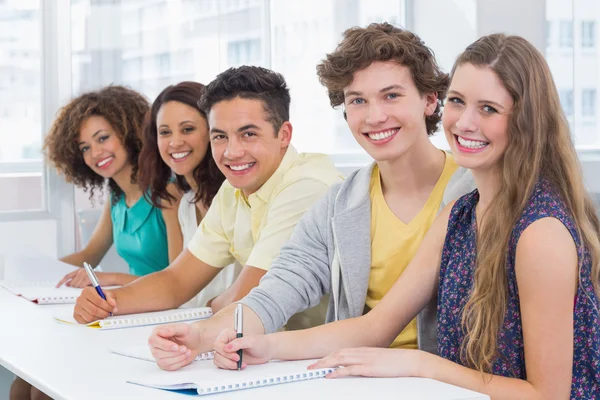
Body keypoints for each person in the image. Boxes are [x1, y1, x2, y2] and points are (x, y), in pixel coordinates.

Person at [213, 34, 600, 399]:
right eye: (459, 101)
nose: (465, 123)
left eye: (489, 109)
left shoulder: (540, 233)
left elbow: (548, 395)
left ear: (526, 121)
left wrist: (419, 363)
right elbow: (375, 326)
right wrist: (262, 346)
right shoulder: (462, 214)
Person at [147, 22, 475, 372]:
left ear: (429, 100)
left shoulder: (474, 192)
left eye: (391, 95)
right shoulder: (339, 205)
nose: (374, 115)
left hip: (446, 383)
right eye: (357, 100)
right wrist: (200, 337)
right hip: (355, 377)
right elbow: (278, 289)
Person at [71, 66, 343, 323]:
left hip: (318, 358)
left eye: (248, 134)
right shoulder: (233, 190)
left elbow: (249, 298)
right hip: (266, 349)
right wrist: (108, 300)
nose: (231, 152)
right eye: (220, 136)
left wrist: (214, 305)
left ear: (284, 135)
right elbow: (177, 280)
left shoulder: (306, 186)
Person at [10, 86, 182, 400]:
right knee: (23, 383)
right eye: (85, 147)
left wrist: (113, 278)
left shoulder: (166, 192)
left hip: (158, 314)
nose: (95, 153)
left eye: (103, 138)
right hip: (128, 309)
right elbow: (90, 253)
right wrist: (30, 274)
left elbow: (180, 281)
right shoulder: (117, 196)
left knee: (42, 391)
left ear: (129, 133)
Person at [137, 81, 237, 308]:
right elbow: (176, 288)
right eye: (165, 132)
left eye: (188, 129)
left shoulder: (238, 198)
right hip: (193, 327)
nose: (175, 142)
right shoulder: (186, 206)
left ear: (214, 131)